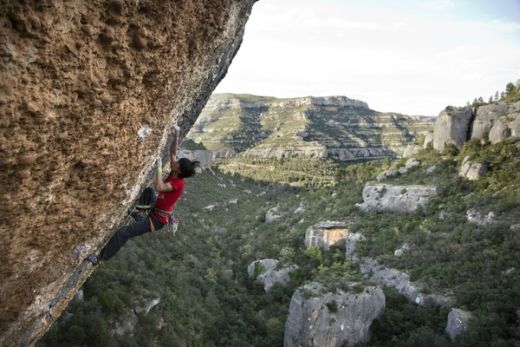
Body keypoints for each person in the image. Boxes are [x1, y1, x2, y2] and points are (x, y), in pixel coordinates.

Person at [86, 126, 199, 265]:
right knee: (148, 192)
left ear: (178, 170)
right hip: (156, 208)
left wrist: (158, 167)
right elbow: (172, 152)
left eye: (177, 163)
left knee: (123, 233)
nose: (174, 162)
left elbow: (159, 187)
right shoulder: (175, 172)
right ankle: (140, 214)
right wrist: (176, 134)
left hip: (157, 219)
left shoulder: (178, 183)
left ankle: (99, 258)